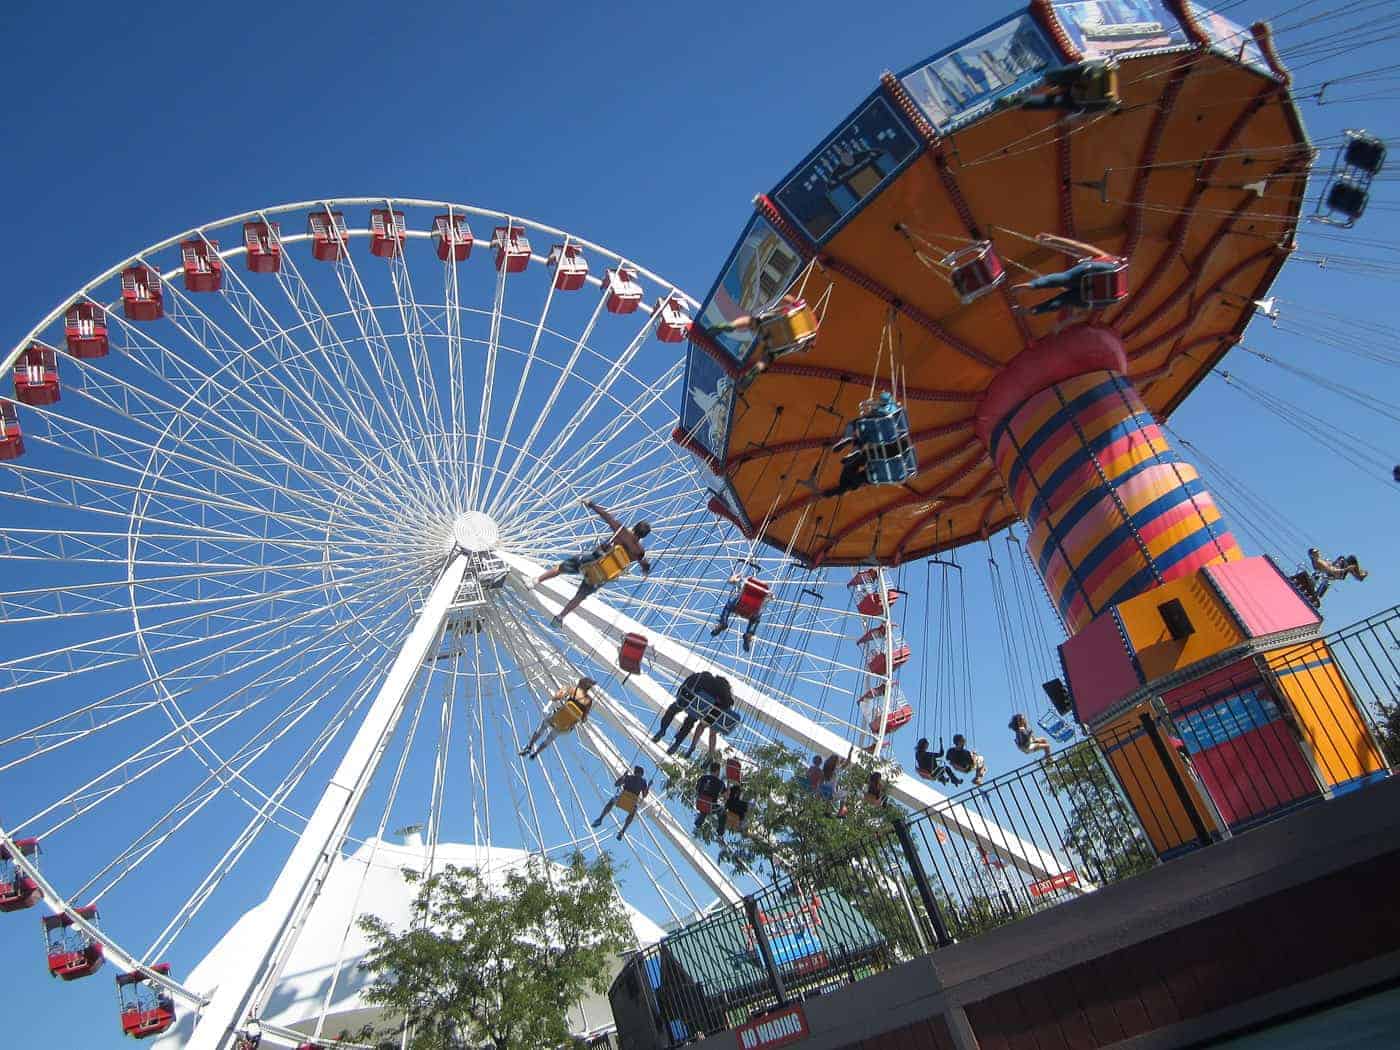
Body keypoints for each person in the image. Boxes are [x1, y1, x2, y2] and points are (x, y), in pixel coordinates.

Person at [534, 499, 652, 624]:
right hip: (604, 574)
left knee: (561, 568)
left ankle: (536, 581)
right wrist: (646, 568)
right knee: (580, 595)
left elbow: (606, 516)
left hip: (595, 559)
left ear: (634, 527)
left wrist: (591, 504)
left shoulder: (622, 531)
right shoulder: (639, 551)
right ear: (644, 536)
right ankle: (561, 617)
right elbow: (643, 565)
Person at [708, 294, 817, 392]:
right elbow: (803, 350)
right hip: (779, 343)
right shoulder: (812, 334)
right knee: (768, 357)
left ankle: (730, 326)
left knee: (751, 321)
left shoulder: (803, 306)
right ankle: (756, 370)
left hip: (771, 325)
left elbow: (785, 297)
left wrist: (778, 301)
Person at [1012, 233, 1125, 315]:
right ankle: (1034, 310)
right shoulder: (1117, 286)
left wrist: (1053, 239)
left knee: (1065, 277)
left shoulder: (1109, 259)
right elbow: (1085, 311)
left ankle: (1032, 285)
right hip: (1101, 297)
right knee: (1064, 300)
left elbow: (1078, 246)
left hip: (1098, 270)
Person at [518, 677, 596, 759]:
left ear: (580, 683)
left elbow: (556, 697)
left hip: (557, 717)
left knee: (542, 727)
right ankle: (536, 752)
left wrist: (561, 692)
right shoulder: (589, 701)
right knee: (551, 738)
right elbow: (583, 719)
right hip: (566, 726)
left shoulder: (573, 690)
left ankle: (529, 746)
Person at [1015, 58, 1119, 116]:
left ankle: (1021, 101)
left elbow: (1083, 110)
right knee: (1054, 94)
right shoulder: (1099, 71)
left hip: (1077, 91)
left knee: (1055, 99)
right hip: (1078, 83)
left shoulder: (1105, 101)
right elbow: (1083, 111)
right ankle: (1021, 101)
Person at [592, 765, 650, 840]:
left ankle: (600, 818)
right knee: (632, 812)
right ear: (641, 774)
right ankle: (622, 830)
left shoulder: (630, 778)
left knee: (612, 802)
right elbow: (644, 795)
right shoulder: (642, 781)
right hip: (630, 801)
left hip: (623, 798)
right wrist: (648, 786)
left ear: (635, 772)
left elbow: (616, 784)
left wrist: (623, 776)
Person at [710, 574, 761, 652]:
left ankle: (723, 622)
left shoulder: (743, 582)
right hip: (750, 612)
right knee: (756, 618)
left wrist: (733, 578)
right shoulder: (760, 592)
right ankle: (749, 634)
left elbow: (731, 581)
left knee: (728, 606)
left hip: (738, 606)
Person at [693, 762, 725, 833]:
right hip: (710, 805)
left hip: (699, 802)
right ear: (717, 771)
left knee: (704, 809)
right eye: (719, 771)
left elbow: (697, 789)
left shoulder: (703, 777)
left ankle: (699, 822)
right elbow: (726, 795)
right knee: (722, 811)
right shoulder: (720, 783)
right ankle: (720, 831)